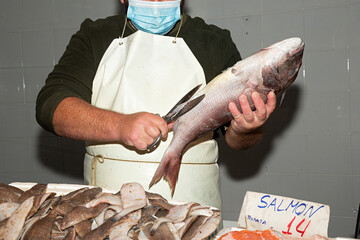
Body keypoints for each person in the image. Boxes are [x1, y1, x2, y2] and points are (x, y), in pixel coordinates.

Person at [36, 0, 276, 211]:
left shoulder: (215, 42)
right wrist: (120, 125)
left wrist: (247, 129)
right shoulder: (94, 35)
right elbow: (51, 106)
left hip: (194, 208)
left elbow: (237, 140)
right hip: (107, 209)